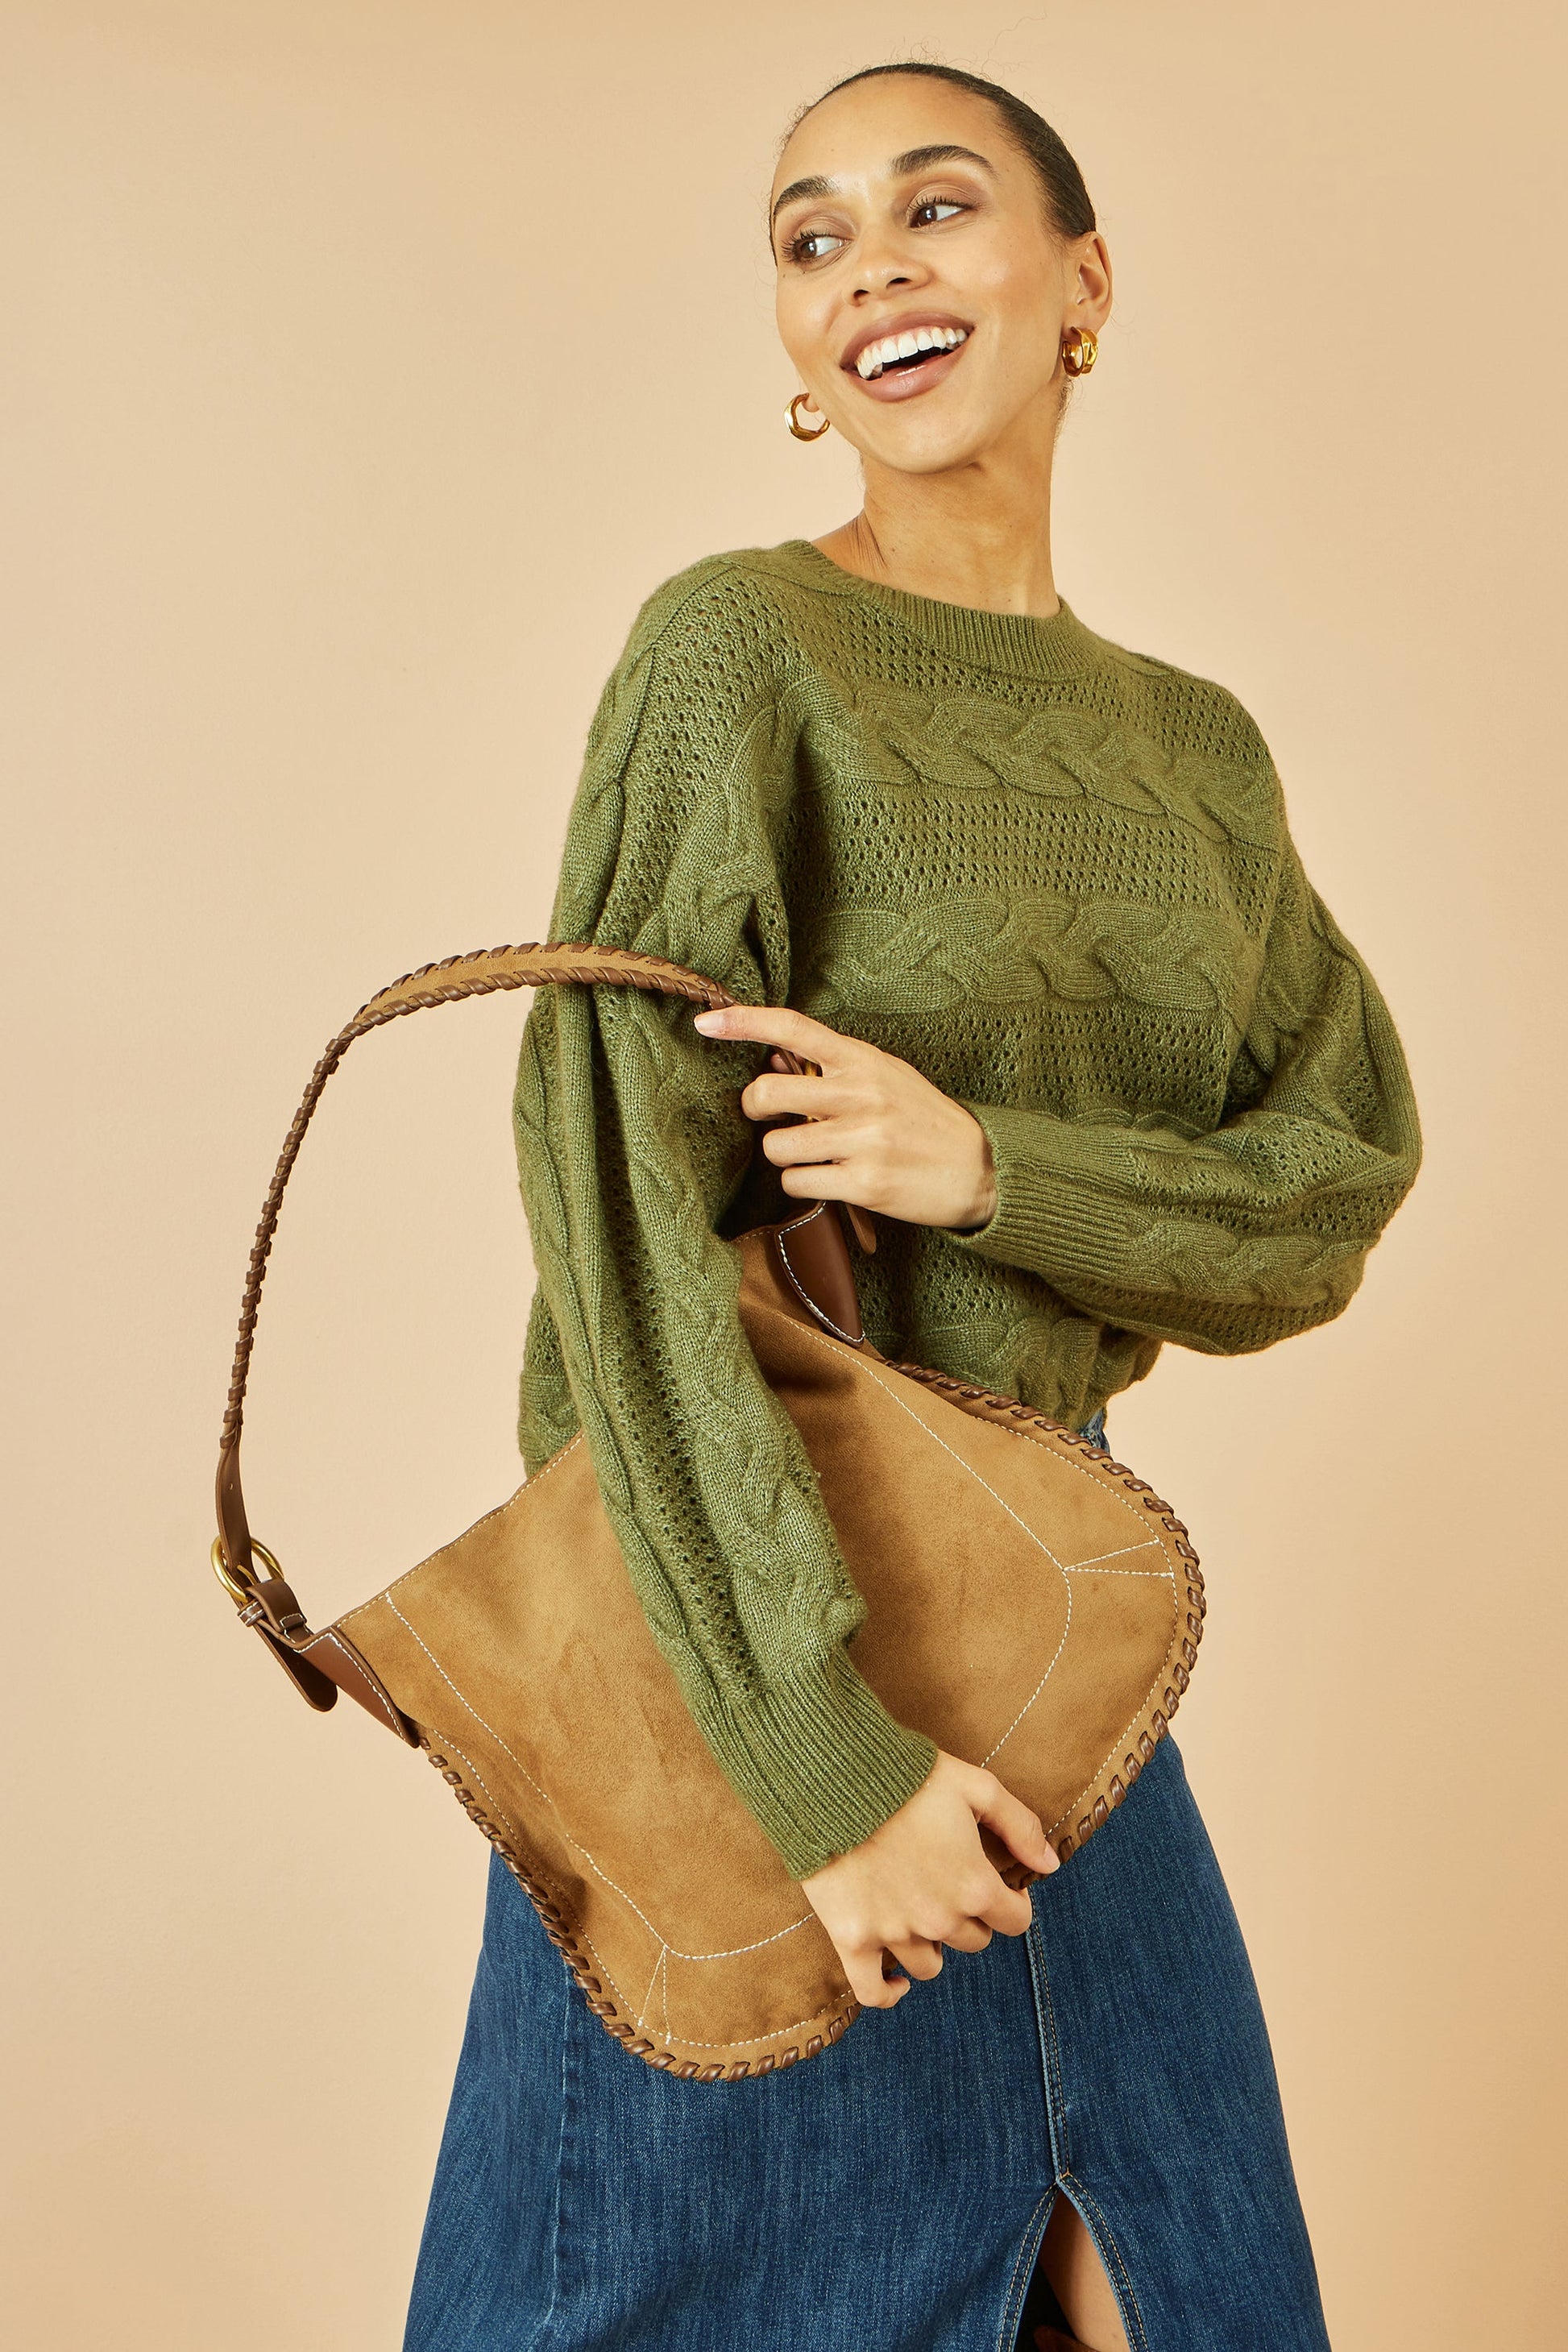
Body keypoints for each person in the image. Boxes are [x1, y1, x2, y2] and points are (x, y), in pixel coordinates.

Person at [403, 60, 1420, 2352]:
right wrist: (817, 1761)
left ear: (1082, 281)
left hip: (1053, 1634)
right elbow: (612, 1204)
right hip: (754, 1636)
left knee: (1189, 2288)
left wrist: (993, 1172)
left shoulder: (1193, 751)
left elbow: (1323, 1188)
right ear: (793, 335)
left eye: (934, 207)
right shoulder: (734, 652)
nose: (870, 266)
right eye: (811, 235)